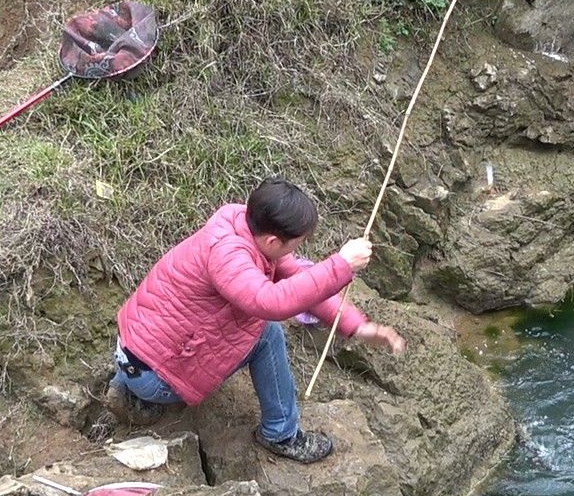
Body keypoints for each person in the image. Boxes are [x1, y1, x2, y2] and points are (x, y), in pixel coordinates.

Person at [106, 177, 405, 463]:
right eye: (295, 243)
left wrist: (356, 326)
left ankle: (130, 391)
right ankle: (282, 434)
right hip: (156, 375)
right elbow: (271, 302)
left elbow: (299, 279)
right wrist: (340, 265)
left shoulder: (239, 222)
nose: (296, 250)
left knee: (215, 327)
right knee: (266, 332)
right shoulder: (228, 256)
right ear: (274, 240)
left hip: (130, 349)